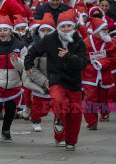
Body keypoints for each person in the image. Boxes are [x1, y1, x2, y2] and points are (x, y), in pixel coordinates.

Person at [25, 10, 88, 151]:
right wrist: (27, 63)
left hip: (74, 81)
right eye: (62, 27)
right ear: (58, 27)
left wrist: (68, 56)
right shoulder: (50, 39)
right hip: (56, 78)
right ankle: (59, 118)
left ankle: (70, 141)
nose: (66, 30)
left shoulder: (79, 42)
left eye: (69, 26)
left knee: (75, 114)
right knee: (58, 101)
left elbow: (83, 63)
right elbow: (34, 50)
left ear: (74, 27)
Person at [82, 18, 116, 130]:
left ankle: (105, 112)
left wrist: (102, 62)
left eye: (106, 29)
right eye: (103, 29)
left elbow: (114, 59)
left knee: (103, 96)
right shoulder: (86, 42)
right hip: (89, 73)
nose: (106, 32)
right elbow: (82, 57)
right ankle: (92, 122)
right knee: (90, 97)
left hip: (104, 72)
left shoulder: (110, 43)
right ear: (96, 30)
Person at [22, 13, 57, 135]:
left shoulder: (59, 45)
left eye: (49, 30)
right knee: (39, 106)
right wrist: (43, 81)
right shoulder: (35, 46)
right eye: (43, 30)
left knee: (51, 106)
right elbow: (31, 68)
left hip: (55, 80)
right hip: (39, 81)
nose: (46, 33)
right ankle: (35, 121)